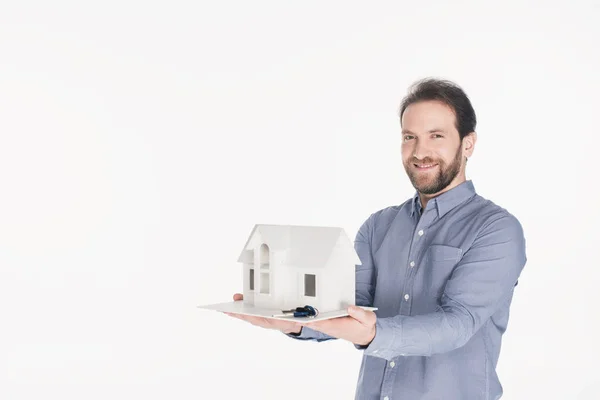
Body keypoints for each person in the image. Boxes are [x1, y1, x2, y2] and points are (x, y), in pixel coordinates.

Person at [226, 78, 527, 400]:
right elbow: (347, 308)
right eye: (409, 137)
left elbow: (458, 325)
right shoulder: (379, 225)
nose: (420, 152)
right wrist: (295, 323)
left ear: (468, 144)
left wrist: (373, 331)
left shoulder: (496, 229)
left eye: (436, 136)